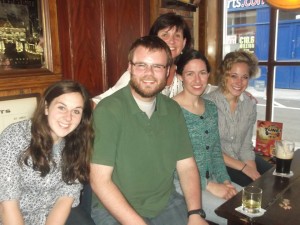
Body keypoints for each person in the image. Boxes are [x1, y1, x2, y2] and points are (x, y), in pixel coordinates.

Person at [90, 36, 208, 225]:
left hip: (165, 203)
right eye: (141, 65)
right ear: (129, 68)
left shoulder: (173, 109)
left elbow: (186, 166)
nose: (149, 74)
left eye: (157, 67)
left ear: (167, 71)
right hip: (114, 210)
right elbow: (99, 181)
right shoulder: (108, 111)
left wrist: (195, 213)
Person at [0, 80, 94, 225]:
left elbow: (65, 198)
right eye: (62, 108)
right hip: (13, 215)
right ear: (46, 108)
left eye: (76, 111)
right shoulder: (15, 136)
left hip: (52, 212)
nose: (68, 118)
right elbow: (8, 205)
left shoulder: (78, 142)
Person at [172, 49, 241, 225]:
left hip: (215, 181)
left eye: (202, 73)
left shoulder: (210, 108)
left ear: (208, 75)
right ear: (180, 76)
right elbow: (170, 164)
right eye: (190, 74)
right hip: (183, 187)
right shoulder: (170, 110)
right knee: (239, 217)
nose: (197, 80)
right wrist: (210, 186)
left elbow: (216, 151)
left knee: (254, 204)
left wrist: (225, 181)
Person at [205, 49, 273, 187]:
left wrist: (252, 169)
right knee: (252, 189)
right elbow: (210, 149)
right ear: (225, 76)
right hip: (218, 162)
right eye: (233, 76)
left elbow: (246, 146)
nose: (239, 82)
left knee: (275, 179)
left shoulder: (249, 104)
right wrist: (244, 169)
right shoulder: (207, 104)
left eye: (245, 77)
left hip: (241, 158)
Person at [92, 12, 193, 104]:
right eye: (165, 34)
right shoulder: (138, 73)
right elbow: (100, 101)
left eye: (177, 36)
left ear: (184, 43)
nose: (172, 41)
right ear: (154, 39)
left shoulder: (185, 74)